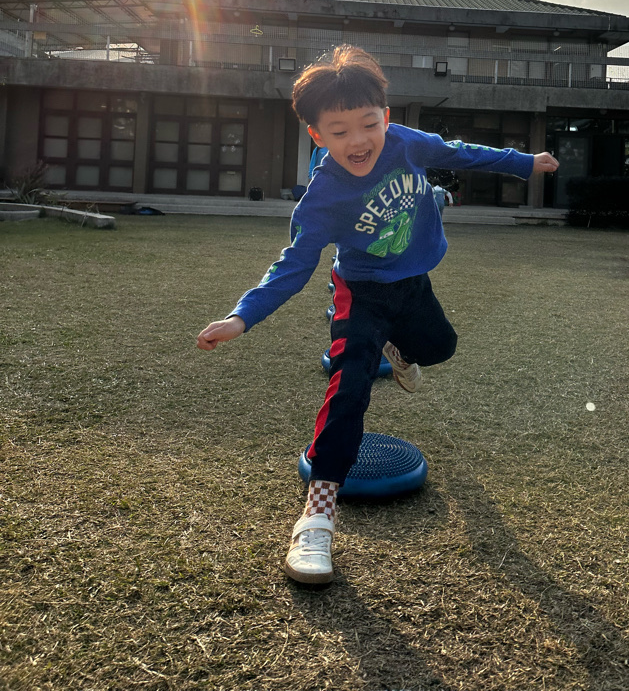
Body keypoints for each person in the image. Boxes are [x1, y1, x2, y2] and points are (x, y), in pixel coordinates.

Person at [196, 46, 558, 585]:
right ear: (317, 135)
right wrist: (240, 317)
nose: (358, 140)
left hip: (413, 282)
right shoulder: (323, 196)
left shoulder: (407, 143)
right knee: (349, 387)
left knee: (440, 348)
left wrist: (523, 162)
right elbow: (293, 264)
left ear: (386, 117)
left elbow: (461, 153)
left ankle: (400, 339)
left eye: (369, 124)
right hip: (361, 292)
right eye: (339, 131)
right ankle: (316, 519)